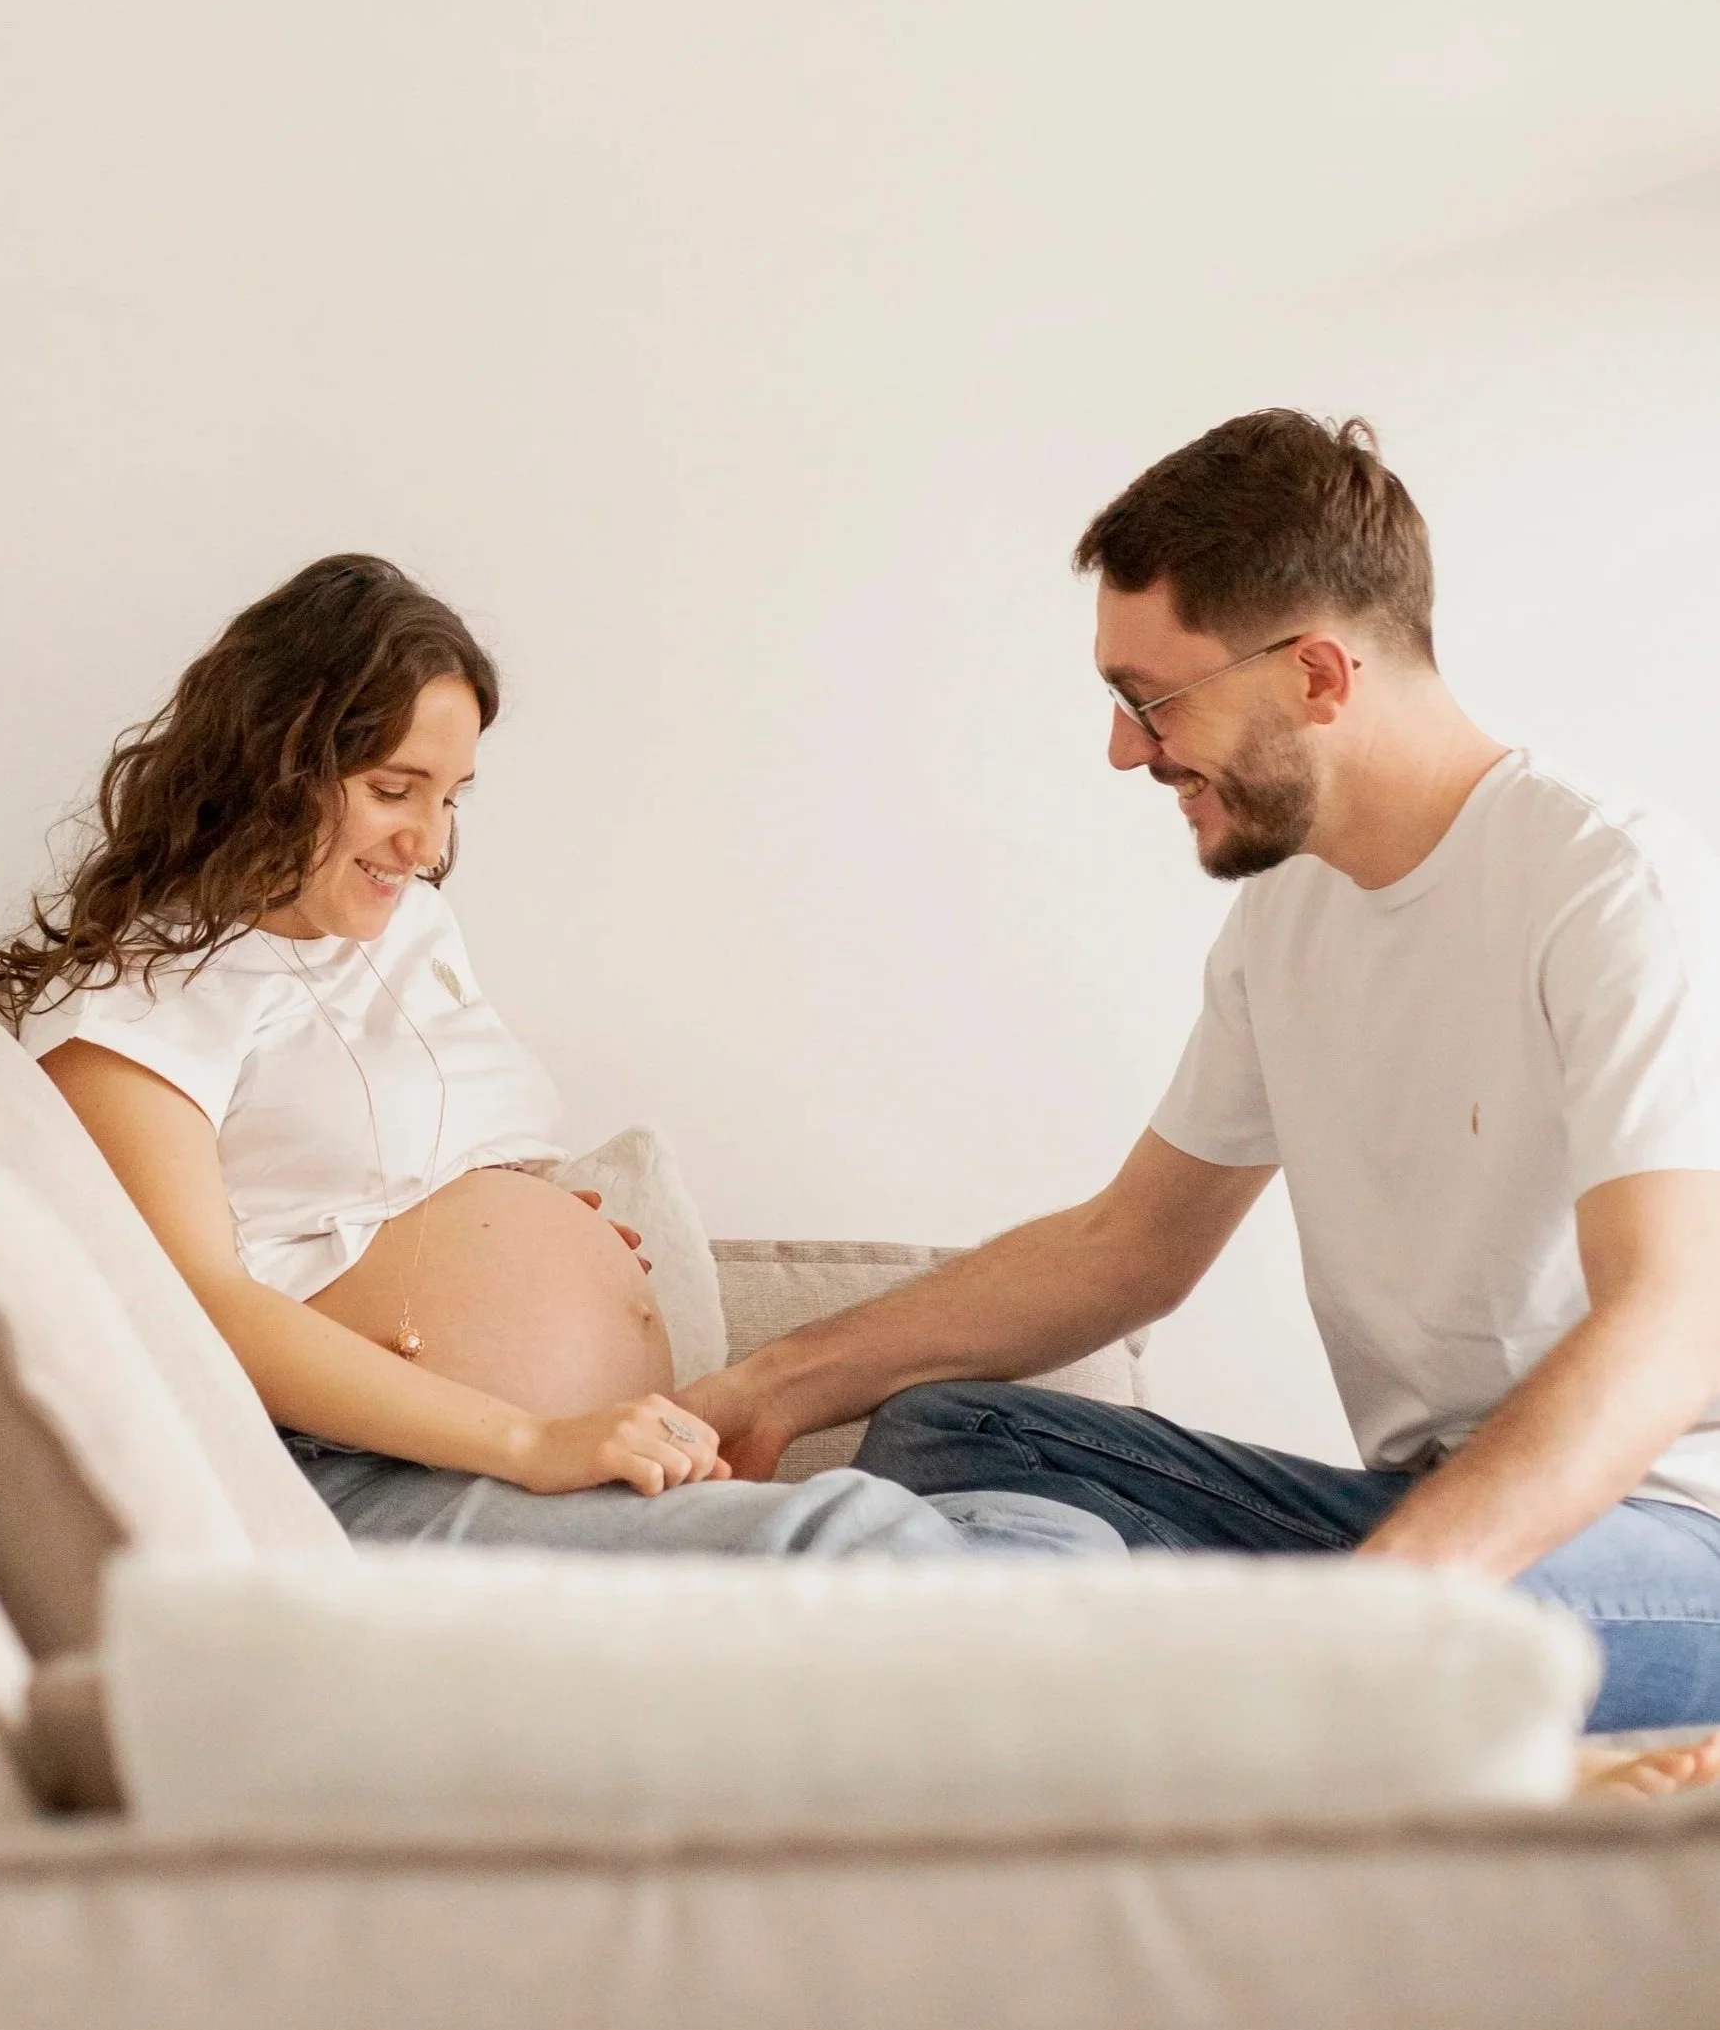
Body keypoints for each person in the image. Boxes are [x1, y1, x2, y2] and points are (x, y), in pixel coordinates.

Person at [682, 411, 1720, 1769]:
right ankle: (1157, 1693)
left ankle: (1157, 1697)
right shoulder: (1286, 922)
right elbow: (1131, 1247)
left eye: (1151, 696)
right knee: (949, 1426)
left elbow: (1673, 1319)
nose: (1127, 750)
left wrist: (1396, 1605)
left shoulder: (1607, 887)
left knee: (1394, 1625)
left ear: (1318, 674)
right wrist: (775, 1379)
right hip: (1412, 1518)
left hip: (1671, 1541)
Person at [0, 554, 1104, 1564]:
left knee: (1054, 1529)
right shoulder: (137, 994)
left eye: (451, 796)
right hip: (354, 1473)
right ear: (274, 761)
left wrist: (523, 1219)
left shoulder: (405, 928)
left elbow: (383, 1167)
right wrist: (531, 1429)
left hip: (559, 1460)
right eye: (391, 789)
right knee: (854, 1537)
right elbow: (202, 1304)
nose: (428, 843)